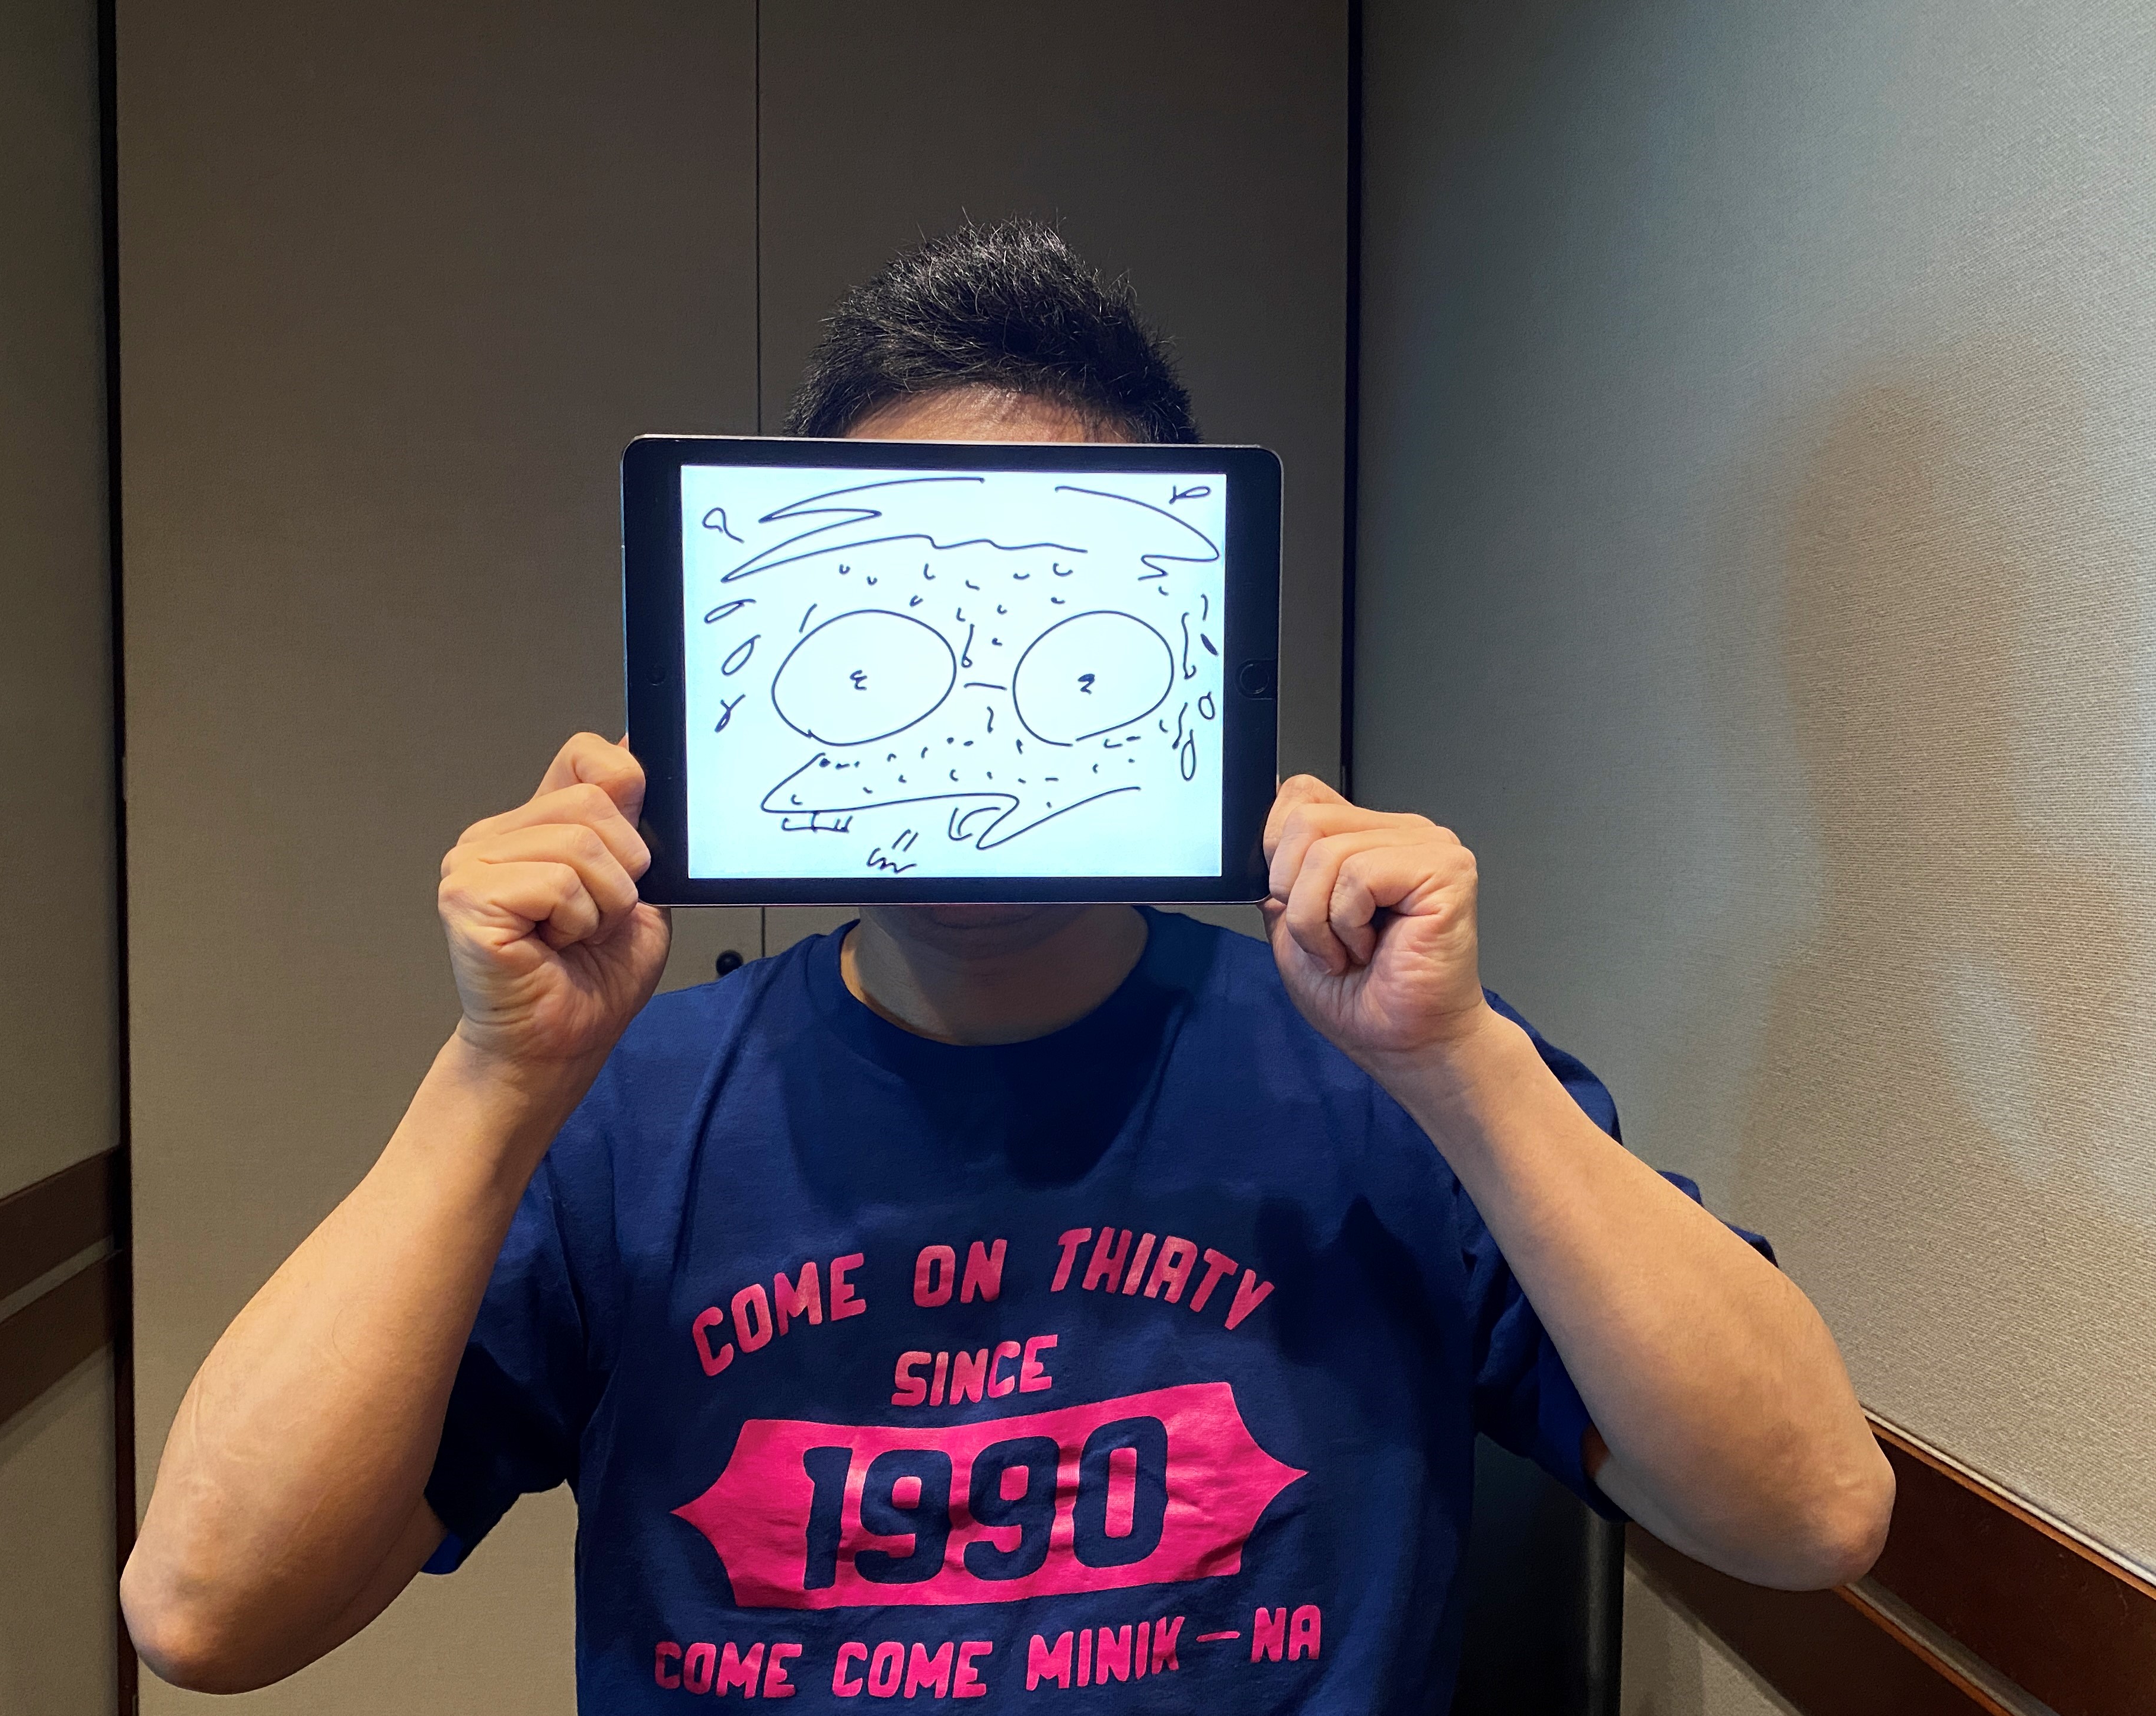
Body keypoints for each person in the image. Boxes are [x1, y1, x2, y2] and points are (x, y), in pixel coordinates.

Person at [122, 221, 1892, 1710]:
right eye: (878, 657)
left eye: (1072, 650)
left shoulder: (1383, 1077)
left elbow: (1811, 1511)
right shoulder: (629, 1112)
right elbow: (205, 1615)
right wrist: (492, 1084)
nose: (974, 740)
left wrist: (1463, 1066)